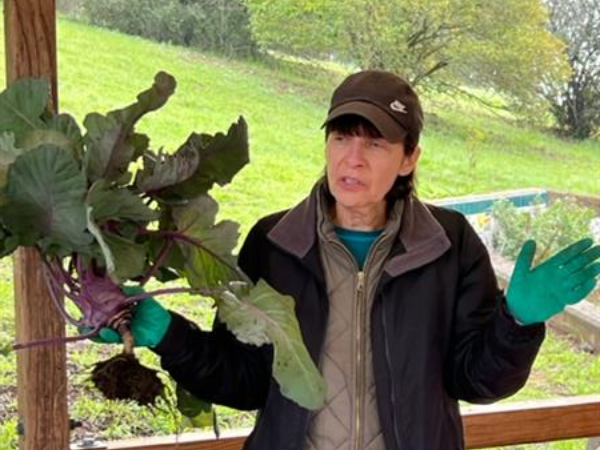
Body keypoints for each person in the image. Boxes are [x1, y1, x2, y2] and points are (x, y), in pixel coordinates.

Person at [93, 70, 600, 450]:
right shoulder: (275, 243)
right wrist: (168, 335)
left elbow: (477, 381)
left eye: (375, 143)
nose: (352, 159)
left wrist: (516, 322)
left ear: (409, 158)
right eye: (340, 137)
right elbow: (247, 380)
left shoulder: (449, 244)